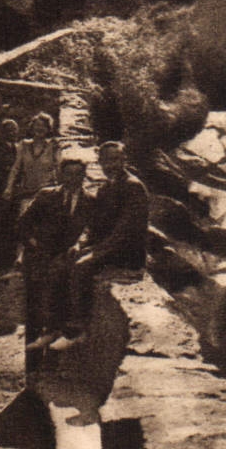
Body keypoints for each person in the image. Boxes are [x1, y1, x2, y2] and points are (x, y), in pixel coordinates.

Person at [57, 141, 149, 351]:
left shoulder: (133, 187)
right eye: (106, 160)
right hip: (110, 247)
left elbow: (125, 231)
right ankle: (62, 322)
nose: (111, 165)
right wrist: (82, 244)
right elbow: (95, 224)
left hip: (127, 252)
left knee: (82, 267)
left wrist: (95, 251)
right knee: (66, 259)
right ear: (100, 162)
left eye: (116, 160)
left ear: (124, 160)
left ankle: (78, 328)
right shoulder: (106, 188)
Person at [18, 157, 91, 374]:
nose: (73, 179)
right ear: (61, 175)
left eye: (78, 174)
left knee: (61, 316)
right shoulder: (46, 196)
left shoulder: (90, 201)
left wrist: (80, 244)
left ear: (84, 176)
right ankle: (31, 370)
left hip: (66, 267)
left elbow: (93, 230)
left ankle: (51, 369)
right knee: (34, 315)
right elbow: (23, 225)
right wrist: (34, 245)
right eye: (68, 174)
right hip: (39, 262)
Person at [4, 112, 59, 219]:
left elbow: (59, 169)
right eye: (37, 125)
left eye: (43, 126)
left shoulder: (53, 146)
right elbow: (15, 168)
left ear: (48, 129)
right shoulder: (24, 145)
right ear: (32, 127)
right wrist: (9, 187)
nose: (40, 128)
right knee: (26, 223)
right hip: (27, 191)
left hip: (47, 192)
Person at [0, 118, 21, 271]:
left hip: (14, 194)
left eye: (15, 130)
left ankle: (9, 262)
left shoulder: (16, 147)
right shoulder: (1, 148)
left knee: (12, 228)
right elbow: (5, 171)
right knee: (1, 229)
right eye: (9, 131)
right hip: (2, 194)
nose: (13, 133)